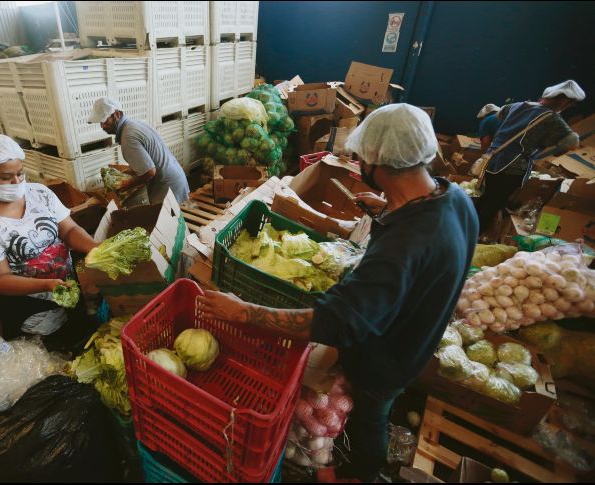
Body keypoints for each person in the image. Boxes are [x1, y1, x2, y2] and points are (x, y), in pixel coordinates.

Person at [196, 104, 479, 482]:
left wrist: (242, 311)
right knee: (375, 406)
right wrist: (387, 208)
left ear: (379, 163)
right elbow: (424, 255)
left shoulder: (402, 246)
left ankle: (359, 474)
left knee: (370, 417)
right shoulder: (454, 198)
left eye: (362, 158)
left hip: (390, 357)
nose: (359, 164)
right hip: (418, 334)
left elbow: (334, 322)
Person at [0, 132, 100, 350]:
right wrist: (46, 285)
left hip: (67, 285)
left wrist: (95, 248)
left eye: (20, 173)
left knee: (82, 334)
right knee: (53, 350)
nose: (16, 182)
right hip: (31, 304)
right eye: (6, 177)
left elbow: (69, 229)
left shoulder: (39, 193)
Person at [477, 80, 584, 236]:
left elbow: (499, 115)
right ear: (563, 101)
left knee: (487, 197)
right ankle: (473, 235)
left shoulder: (518, 105)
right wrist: (556, 152)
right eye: (569, 103)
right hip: (514, 166)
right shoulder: (552, 119)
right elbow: (572, 142)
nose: (568, 106)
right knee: (495, 203)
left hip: (493, 159)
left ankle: (467, 226)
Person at [88, 97, 190, 204]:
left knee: (168, 215)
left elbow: (149, 172)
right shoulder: (134, 124)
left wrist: (127, 185)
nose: (102, 126)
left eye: (105, 120)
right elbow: (150, 158)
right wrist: (130, 171)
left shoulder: (128, 137)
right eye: (100, 122)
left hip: (167, 188)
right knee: (176, 214)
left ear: (117, 114)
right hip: (176, 179)